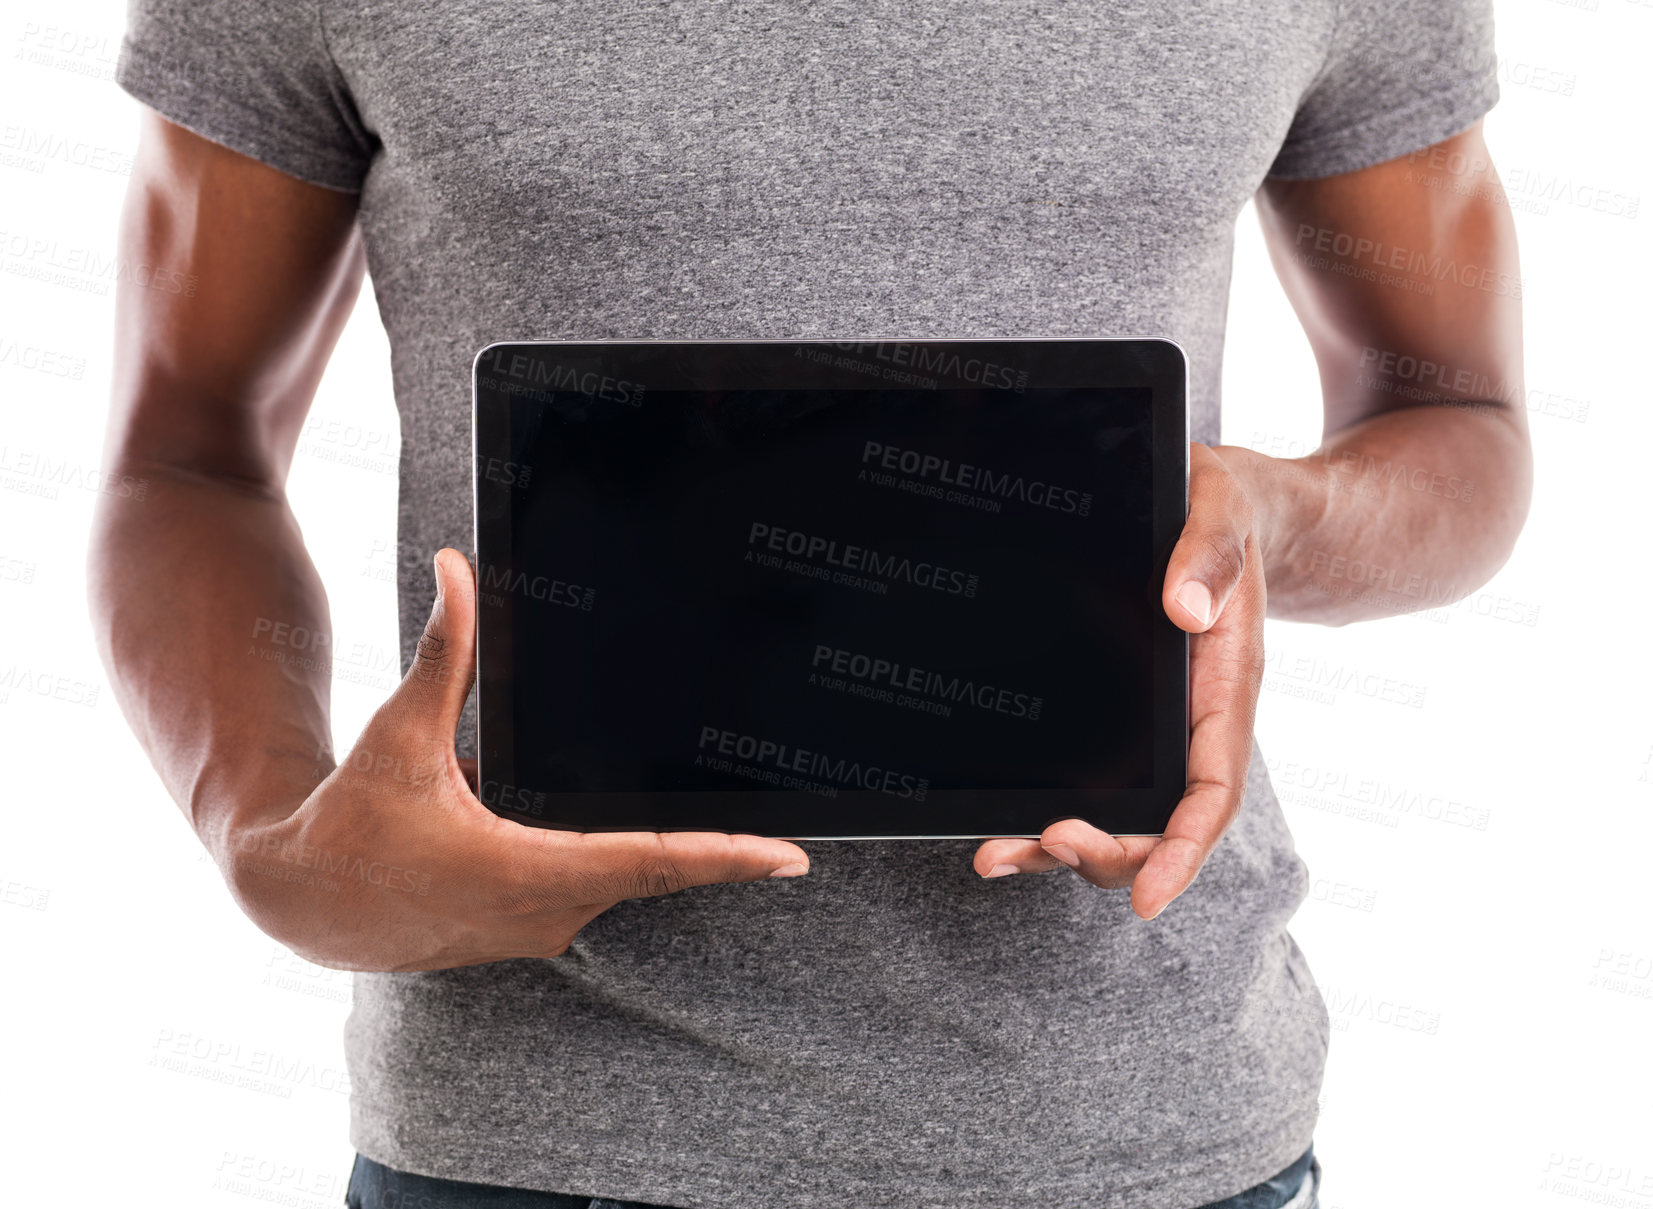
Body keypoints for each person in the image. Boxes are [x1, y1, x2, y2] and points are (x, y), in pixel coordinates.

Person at [89, 2, 1530, 1207]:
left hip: (1148, 1130)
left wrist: (1269, 515)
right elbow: (185, 458)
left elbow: (1457, 417)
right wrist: (272, 843)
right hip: (537, 1138)